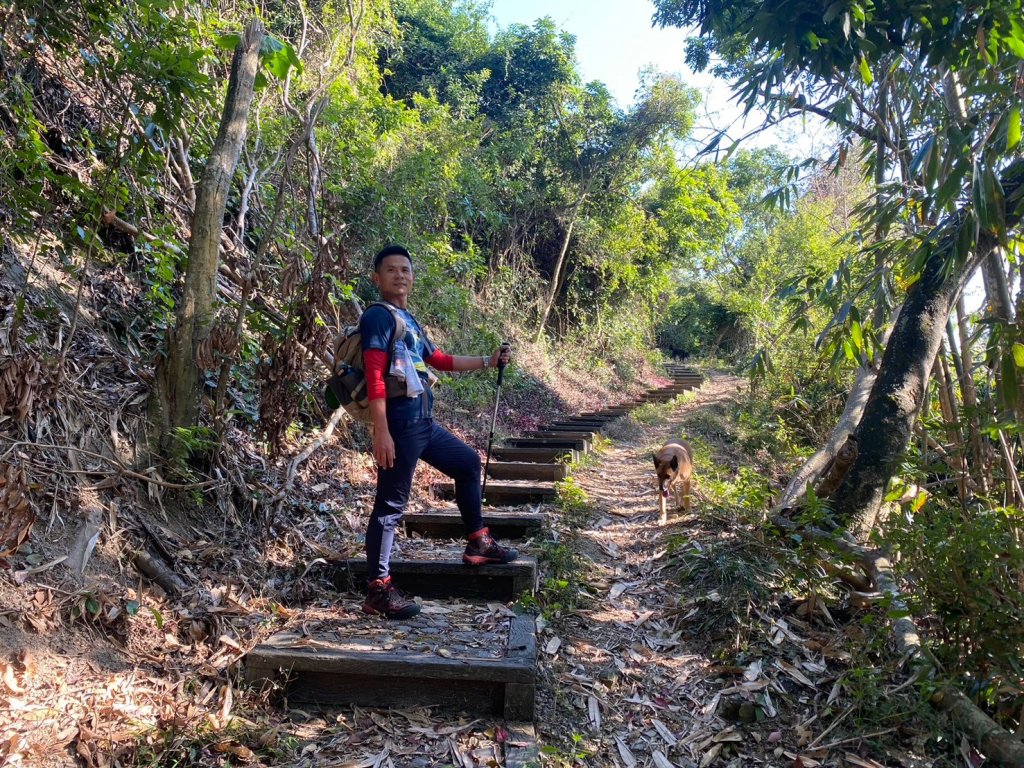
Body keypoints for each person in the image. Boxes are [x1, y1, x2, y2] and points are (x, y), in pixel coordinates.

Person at [359, 244, 518, 620]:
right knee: (390, 505)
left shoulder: (408, 320)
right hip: (399, 423)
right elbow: (375, 376)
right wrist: (381, 431)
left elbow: (439, 360)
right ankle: (378, 590)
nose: (400, 275)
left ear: (413, 277)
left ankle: (478, 541)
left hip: (423, 423)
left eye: (405, 269)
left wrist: (487, 361)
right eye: (392, 270)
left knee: (466, 463)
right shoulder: (378, 318)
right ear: (377, 278)